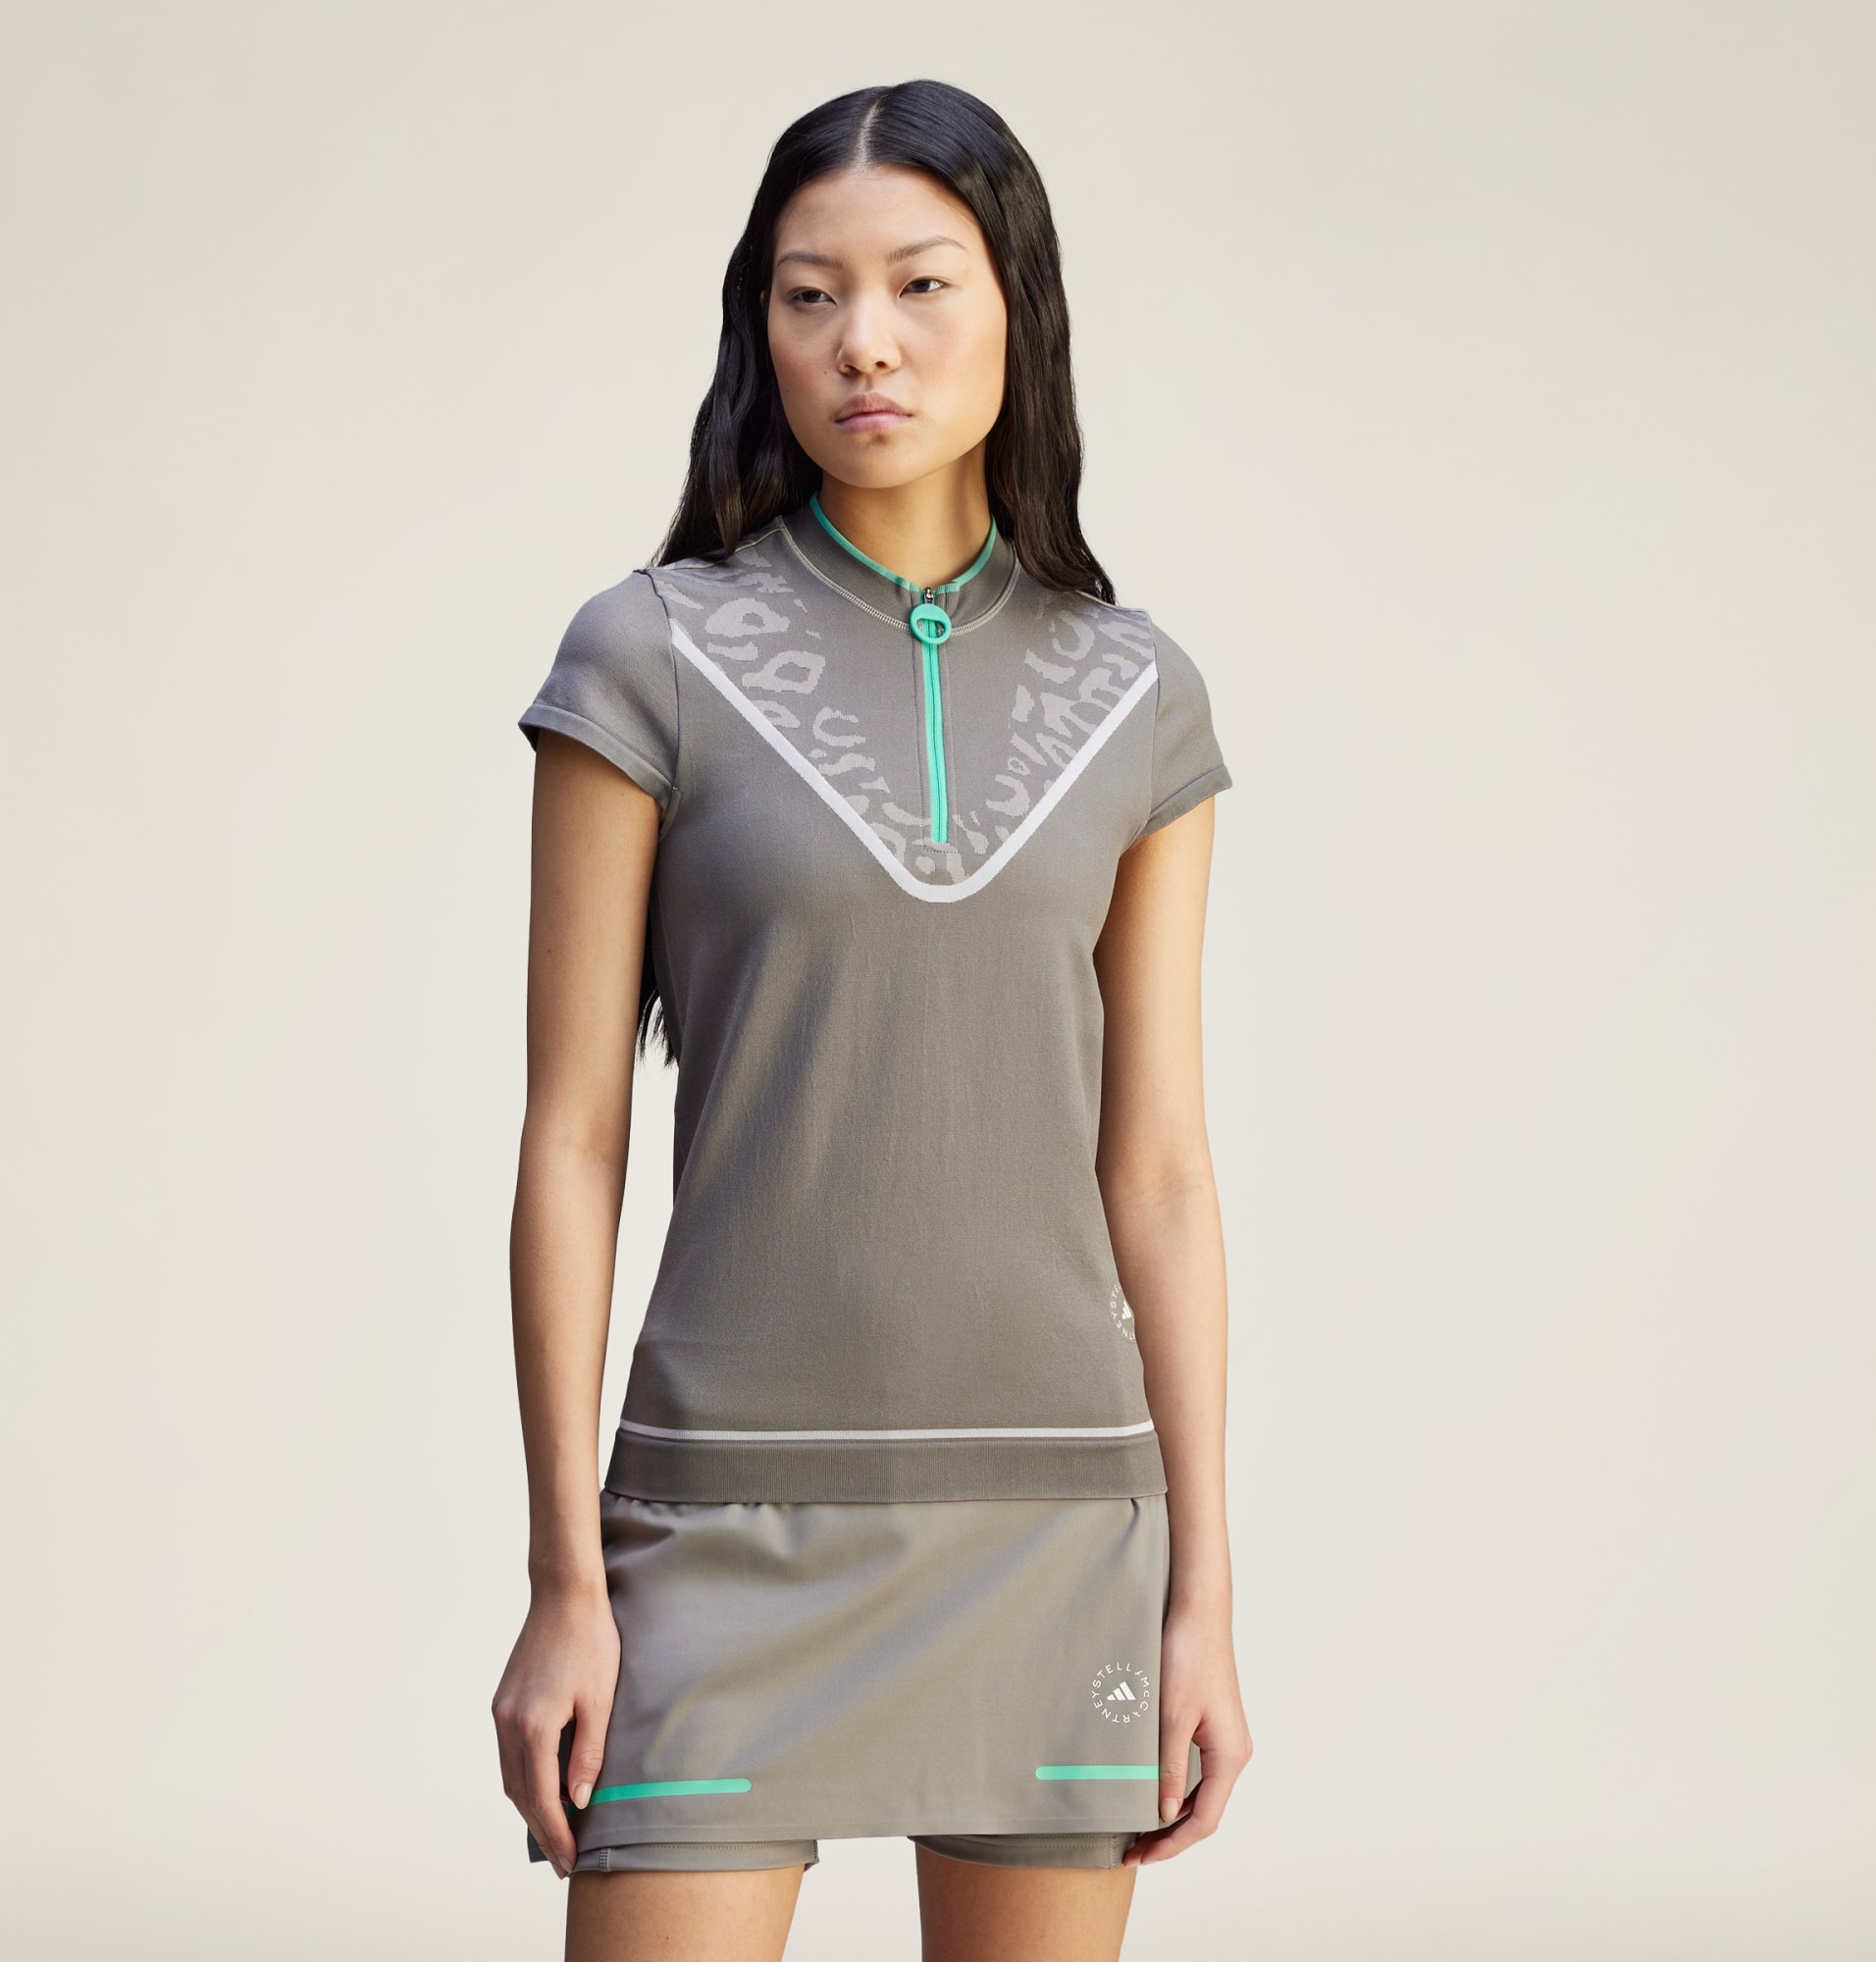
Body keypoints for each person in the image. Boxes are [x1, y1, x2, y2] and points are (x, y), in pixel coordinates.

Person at [491, 77, 1251, 1962]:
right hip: (718, 1529)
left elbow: (1159, 1166)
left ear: (1018, 308)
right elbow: (572, 1137)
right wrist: (567, 1578)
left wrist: (1203, 1599)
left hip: (1058, 1530)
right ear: (759, 326)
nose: (866, 344)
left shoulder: (1138, 693)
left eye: (921, 284)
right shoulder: (647, 655)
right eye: (809, 294)